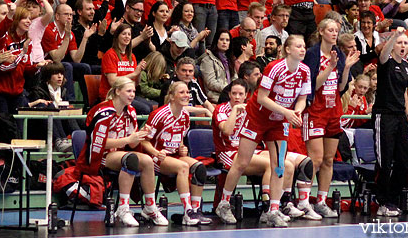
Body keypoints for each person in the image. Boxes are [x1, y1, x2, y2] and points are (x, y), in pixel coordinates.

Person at [215, 35, 310, 227]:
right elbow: (261, 98)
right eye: (298, 46)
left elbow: (302, 98)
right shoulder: (274, 68)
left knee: (279, 165)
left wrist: (297, 112)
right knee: (241, 162)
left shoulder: (305, 71)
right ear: (288, 49)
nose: (302, 49)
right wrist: (287, 112)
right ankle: (224, 203)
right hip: (257, 117)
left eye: (304, 46)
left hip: (279, 121)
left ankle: (273, 210)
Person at [72, 77, 168, 227]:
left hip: (121, 154)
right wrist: (129, 139)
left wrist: (141, 134)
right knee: (130, 159)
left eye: (134, 91)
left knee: (148, 161)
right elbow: (99, 144)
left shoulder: (130, 111)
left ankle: (150, 207)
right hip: (98, 156)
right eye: (128, 91)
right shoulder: (102, 111)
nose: (132, 95)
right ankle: (123, 208)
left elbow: (133, 144)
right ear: (117, 91)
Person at [213, 78, 306, 220]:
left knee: (286, 165)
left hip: (251, 149)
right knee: (271, 165)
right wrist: (235, 110)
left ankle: (283, 204)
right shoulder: (221, 109)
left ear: (246, 95)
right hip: (228, 151)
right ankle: (262, 207)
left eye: (240, 94)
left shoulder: (251, 108)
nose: (237, 97)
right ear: (229, 94)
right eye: (234, 93)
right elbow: (227, 130)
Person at [303, 18, 359, 217]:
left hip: (333, 111)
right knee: (315, 159)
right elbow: (312, 85)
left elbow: (341, 87)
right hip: (315, 111)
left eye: (336, 30)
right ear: (321, 31)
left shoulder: (339, 54)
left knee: (328, 160)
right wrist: (330, 67)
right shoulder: (312, 54)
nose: (334, 33)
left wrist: (346, 68)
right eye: (330, 30)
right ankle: (303, 201)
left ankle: (320, 201)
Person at [141, 81, 212, 226]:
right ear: (172, 96)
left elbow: (179, 139)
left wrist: (182, 147)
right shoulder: (159, 114)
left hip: (175, 156)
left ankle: (196, 209)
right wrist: (156, 152)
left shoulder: (185, 116)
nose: (186, 95)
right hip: (155, 157)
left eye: (187, 92)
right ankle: (187, 212)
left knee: (199, 167)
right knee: (183, 167)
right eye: (182, 92)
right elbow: (143, 141)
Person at [373, 27, 408, 217]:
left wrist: (407, 115)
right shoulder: (386, 62)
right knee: (385, 160)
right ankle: (382, 201)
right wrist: (394, 36)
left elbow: (404, 92)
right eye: (400, 43)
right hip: (384, 115)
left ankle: (394, 198)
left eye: (405, 43)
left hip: (401, 117)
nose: (402, 46)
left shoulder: (407, 67)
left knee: (405, 161)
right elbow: (383, 53)